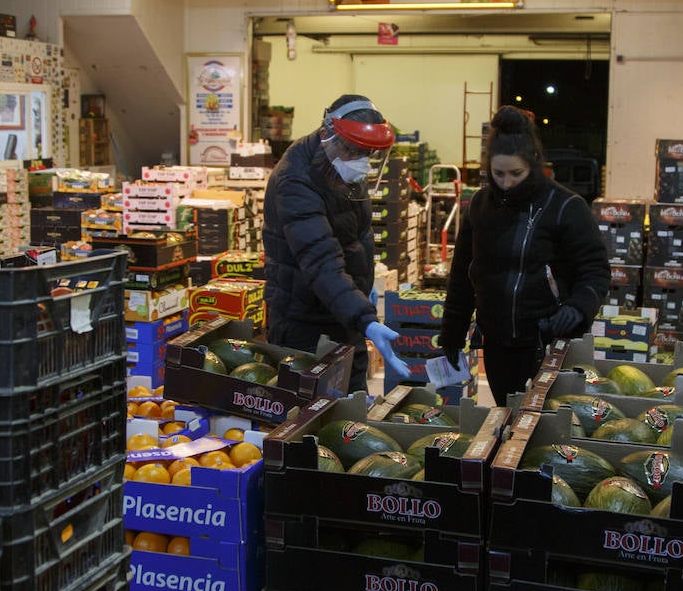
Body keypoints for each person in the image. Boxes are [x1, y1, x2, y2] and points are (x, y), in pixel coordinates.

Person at [438, 105, 611, 405]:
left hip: (547, 342)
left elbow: (596, 270)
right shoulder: (480, 205)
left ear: (533, 164)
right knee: (506, 418)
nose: (506, 182)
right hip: (496, 344)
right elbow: (463, 275)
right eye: (498, 173)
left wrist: (578, 307)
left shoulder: (565, 207)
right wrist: (452, 331)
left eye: (516, 174)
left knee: (540, 429)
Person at [262, 94, 411, 393]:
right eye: (354, 150)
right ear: (326, 133)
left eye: (367, 153)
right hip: (303, 319)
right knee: (310, 415)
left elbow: (356, 234)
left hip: (341, 309)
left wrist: (361, 286)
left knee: (352, 406)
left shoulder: (340, 163)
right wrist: (365, 319)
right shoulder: (295, 180)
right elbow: (320, 260)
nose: (361, 160)